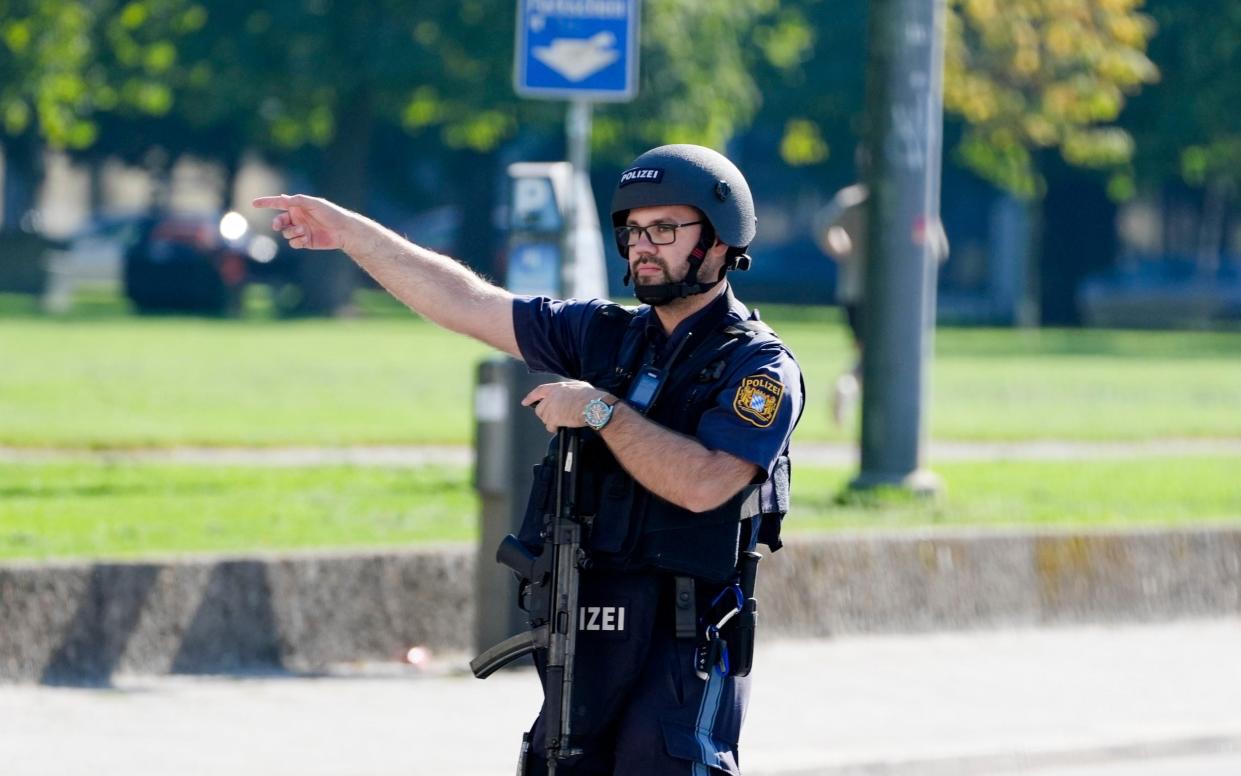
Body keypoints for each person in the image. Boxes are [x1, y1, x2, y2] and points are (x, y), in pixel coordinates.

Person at [255, 143, 803, 776]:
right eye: (631, 231)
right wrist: (350, 234)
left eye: (664, 229)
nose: (642, 246)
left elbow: (707, 483)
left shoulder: (759, 368)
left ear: (717, 240)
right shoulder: (605, 334)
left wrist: (601, 412)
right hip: (588, 631)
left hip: (684, 645)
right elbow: (466, 302)